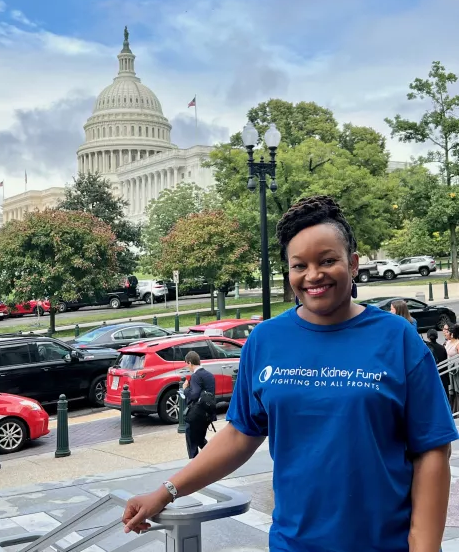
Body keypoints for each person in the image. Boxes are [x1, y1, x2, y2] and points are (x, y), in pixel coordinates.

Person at [123, 195, 458, 552]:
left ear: (354, 263)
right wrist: (166, 492)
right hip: (292, 544)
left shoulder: (396, 337)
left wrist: (425, 546)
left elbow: (432, 450)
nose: (313, 275)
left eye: (328, 260)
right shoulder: (265, 340)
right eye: (300, 265)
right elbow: (239, 435)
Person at [182, 351, 216, 459]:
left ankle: (194, 463)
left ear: (190, 362)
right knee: (200, 439)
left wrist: (185, 389)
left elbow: (194, 395)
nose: (187, 367)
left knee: (191, 440)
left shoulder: (196, 376)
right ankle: (212, 457)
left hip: (196, 414)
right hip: (208, 413)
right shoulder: (209, 375)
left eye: (187, 364)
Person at [426, 328, 449, 396]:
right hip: (443, 376)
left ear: (428, 337)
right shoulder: (442, 347)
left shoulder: (426, 347)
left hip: (432, 376)